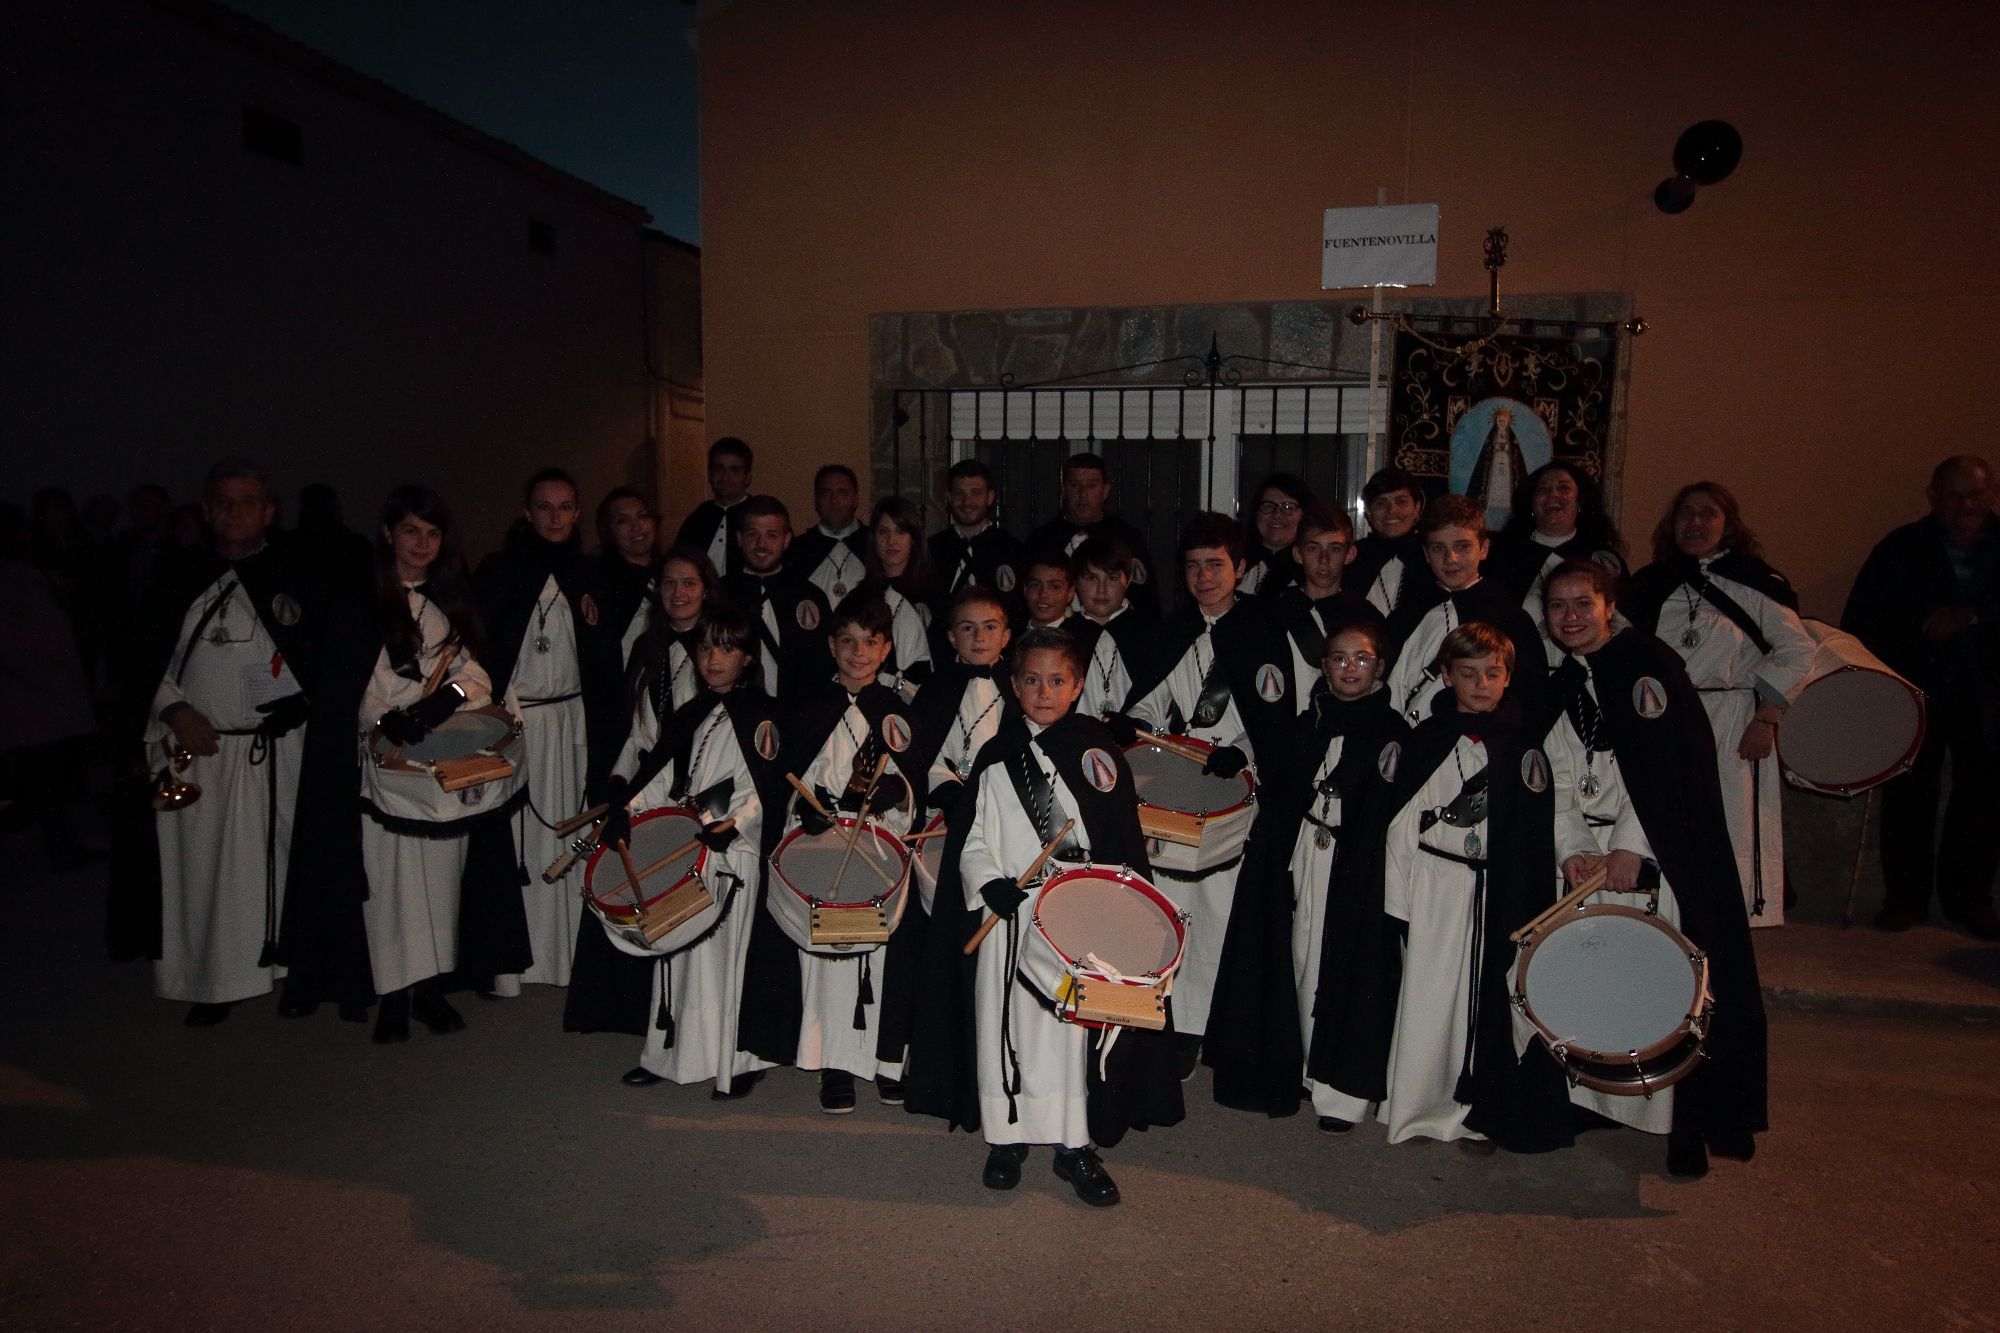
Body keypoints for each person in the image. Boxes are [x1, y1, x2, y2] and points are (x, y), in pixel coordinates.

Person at [917, 626, 1184, 1205]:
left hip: (1076, 916)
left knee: (1071, 1029)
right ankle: (1005, 1137)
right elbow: (974, 837)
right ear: (1014, 686)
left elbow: (1117, 838)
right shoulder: (995, 757)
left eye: (1057, 680)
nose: (1044, 692)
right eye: (1032, 680)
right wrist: (988, 882)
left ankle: (1073, 1144)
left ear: (1078, 685)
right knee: (1003, 1024)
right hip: (1009, 913)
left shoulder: (1097, 752)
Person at [1540, 559, 1767, 1176]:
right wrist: (1571, 846)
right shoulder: (1564, 681)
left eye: (1583, 604)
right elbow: (1556, 773)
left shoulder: (1649, 666)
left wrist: (1630, 848)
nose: (1570, 617)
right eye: (1558, 606)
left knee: (1665, 987)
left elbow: (1668, 768)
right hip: (1587, 856)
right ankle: (1599, 1101)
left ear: (1608, 606)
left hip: (1653, 853)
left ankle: (1682, 1123)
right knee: (1597, 983)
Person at [126, 459, 317, 1025]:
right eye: (223, 502)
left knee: (284, 860)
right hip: (201, 750)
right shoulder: (178, 577)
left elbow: (324, 657)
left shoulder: (297, 576)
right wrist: (175, 710)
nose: (235, 512)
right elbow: (143, 661)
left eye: (247, 501)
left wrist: (301, 705)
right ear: (207, 511)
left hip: (280, 748)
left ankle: (290, 968)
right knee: (205, 870)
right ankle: (214, 980)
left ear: (269, 511)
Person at [1374, 623, 1570, 1151]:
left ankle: (1479, 1109)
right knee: (1430, 994)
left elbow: (1535, 834)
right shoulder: (1427, 741)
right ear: (1446, 676)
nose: (1481, 684)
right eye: (1468, 673)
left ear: (1507, 677)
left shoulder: (1524, 746)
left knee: (1488, 1001)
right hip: (1435, 886)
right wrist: (1400, 901)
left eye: (1492, 673)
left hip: (1497, 890)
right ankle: (1417, 1107)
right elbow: (1399, 827)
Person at [1113, 512, 1292, 1051]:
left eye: (1215, 565)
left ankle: (1206, 1025)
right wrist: (1134, 722)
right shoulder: (1174, 631)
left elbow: (1275, 717)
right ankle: (1166, 1016)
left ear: (1240, 567)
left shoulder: (1263, 631)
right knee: (1168, 901)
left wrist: (1244, 751)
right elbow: (1150, 701)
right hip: (1176, 780)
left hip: (1231, 785)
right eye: (1193, 566)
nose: (1204, 577)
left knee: (1216, 909)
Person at [355, 486, 527, 1043]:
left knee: (443, 877)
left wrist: (444, 700)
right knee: (393, 880)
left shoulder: (451, 599)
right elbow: (353, 680)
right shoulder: (364, 601)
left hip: (442, 755)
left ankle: (431, 989)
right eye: (411, 531)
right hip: (389, 760)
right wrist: (386, 717)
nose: (422, 543)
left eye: (432, 534)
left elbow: (476, 672)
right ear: (389, 534)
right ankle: (393, 993)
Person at [740, 597, 924, 1113]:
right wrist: (804, 808)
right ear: (830, 646)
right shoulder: (809, 710)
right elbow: (786, 783)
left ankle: (887, 1062)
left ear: (886, 649)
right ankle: (834, 1064)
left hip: (879, 847)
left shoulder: (898, 714)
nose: (858, 653)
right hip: (821, 844)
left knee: (883, 956)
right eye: (847, 642)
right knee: (828, 959)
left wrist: (898, 792)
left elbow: (915, 785)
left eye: (870, 642)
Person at [596, 608, 780, 1095]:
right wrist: (628, 810)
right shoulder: (689, 713)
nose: (713, 658)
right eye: (705, 647)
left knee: (725, 959)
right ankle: (669, 1055)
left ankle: (735, 1061)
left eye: (726, 648)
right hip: (685, 846)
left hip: (730, 852)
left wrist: (735, 824)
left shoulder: (762, 715)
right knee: (677, 952)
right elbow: (659, 778)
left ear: (747, 657)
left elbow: (762, 788)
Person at [1626, 482, 1815, 927]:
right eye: (1685, 513)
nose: (1695, 522)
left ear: (1728, 524)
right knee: (1666, 818)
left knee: (1731, 822)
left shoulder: (1756, 583)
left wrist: (1766, 718)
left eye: (1707, 513)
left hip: (1733, 720)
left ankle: (1731, 924)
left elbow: (1797, 650)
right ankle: (1668, 919)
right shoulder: (1651, 585)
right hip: (1666, 719)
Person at [561, 544, 719, 1036]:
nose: (678, 592)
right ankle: (629, 1010)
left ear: (706, 590)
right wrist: (617, 780)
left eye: (689, 583)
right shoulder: (646, 650)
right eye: (669, 583)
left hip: (694, 788)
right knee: (625, 879)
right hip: (647, 783)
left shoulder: (719, 651)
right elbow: (636, 732)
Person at [475, 468, 623, 992]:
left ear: (577, 513)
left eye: (564, 507)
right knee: (521, 839)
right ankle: (515, 962)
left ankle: (565, 957)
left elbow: (606, 659)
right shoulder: (500, 571)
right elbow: (485, 648)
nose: (555, 517)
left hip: (574, 721)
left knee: (571, 830)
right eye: (544, 506)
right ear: (527, 511)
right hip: (520, 721)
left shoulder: (592, 573)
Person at [1844, 455, 2000, 940]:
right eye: (1955, 495)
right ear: (1933, 496)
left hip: (1989, 693)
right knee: (1909, 793)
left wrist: (1973, 616)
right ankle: (1904, 898)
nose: (1966, 505)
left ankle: (1970, 899)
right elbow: (1863, 620)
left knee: (1983, 796)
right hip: (1916, 688)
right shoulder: (1902, 547)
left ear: (1993, 494)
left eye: (1976, 494)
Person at [1273, 621, 1404, 1130]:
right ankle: (1306, 1068)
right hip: (1309, 850)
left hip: (1360, 867)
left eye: (1362, 659)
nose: (1350, 668)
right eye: (1339, 659)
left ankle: (1342, 1092)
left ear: (1380, 667)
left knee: (1348, 966)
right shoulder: (1309, 724)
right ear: (1324, 668)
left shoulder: (1392, 732)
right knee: (1303, 955)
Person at [1384, 495, 1548, 727]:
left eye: (1462, 546)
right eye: (1438, 548)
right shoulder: (1408, 613)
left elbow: (1527, 697)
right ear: (1426, 554)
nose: (1450, 559)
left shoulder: (1509, 618)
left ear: (1484, 549)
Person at [909, 584, 1014, 816]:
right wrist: (948, 789)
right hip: (945, 805)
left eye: (990, 627)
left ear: (1005, 636)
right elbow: (921, 751)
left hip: (1003, 805)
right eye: (967, 628)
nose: (979, 638)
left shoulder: (1019, 687)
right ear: (952, 638)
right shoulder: (935, 688)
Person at [1487, 461, 1628, 629]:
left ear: (1580, 502)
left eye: (1564, 488)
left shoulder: (1601, 559)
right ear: (1531, 504)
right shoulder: (1503, 556)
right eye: (1543, 490)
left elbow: (1621, 622)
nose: (1553, 494)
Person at [718, 495, 833, 698]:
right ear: (739, 538)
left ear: (786, 540)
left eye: (771, 535)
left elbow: (821, 667)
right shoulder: (720, 594)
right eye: (752, 534)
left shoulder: (809, 596)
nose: (761, 544)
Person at [1268, 502, 1374, 712]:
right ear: (1298, 554)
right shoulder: (1275, 613)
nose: (1324, 560)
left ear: (1350, 554)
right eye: (1313, 548)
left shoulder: (1365, 617)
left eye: (1334, 549)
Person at [1026, 453, 1160, 616]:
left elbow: (1146, 601)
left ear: (1105, 490)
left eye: (1092, 485)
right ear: (1063, 489)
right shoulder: (1042, 539)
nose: (1083, 495)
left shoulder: (1127, 538)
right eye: (1075, 485)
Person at [927, 458, 1028, 632]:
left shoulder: (1011, 550)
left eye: (976, 492)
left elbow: (1018, 611)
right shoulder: (932, 549)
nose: (967, 501)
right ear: (949, 498)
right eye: (959, 493)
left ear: (990, 497)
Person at [847, 496, 934, 698]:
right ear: (873, 538)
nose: (891, 541)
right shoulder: (859, 596)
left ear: (913, 538)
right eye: (883, 532)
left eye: (900, 531)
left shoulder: (934, 594)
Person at [1070, 535, 1152, 721]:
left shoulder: (1148, 634)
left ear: (1128, 580)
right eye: (1091, 578)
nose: (1102, 589)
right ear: (1075, 582)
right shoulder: (1065, 637)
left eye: (1112, 578)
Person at [1349, 467, 1434, 621]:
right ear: (1368, 511)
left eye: (1401, 502)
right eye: (1381, 503)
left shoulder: (1432, 557)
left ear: (1417, 508)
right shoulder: (1351, 558)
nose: (1392, 510)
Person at [594, 488, 659, 671]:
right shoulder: (600, 580)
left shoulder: (669, 573)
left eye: (642, 516)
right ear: (609, 531)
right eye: (622, 520)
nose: (636, 526)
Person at [672, 437, 754, 578]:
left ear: (747, 477)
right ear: (710, 474)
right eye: (718, 468)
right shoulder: (698, 518)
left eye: (734, 470)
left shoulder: (759, 516)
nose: (725, 477)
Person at [792, 464, 870, 606]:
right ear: (816, 500)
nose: (834, 501)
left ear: (855, 499)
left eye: (842, 493)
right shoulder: (797, 550)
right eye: (825, 493)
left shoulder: (874, 544)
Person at [1238, 473, 1312, 596]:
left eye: (1287, 507)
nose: (1277, 515)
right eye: (1268, 506)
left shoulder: (1312, 569)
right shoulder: (1236, 561)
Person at [1466, 406, 1529, 530]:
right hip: (1494, 464)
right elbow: (1487, 454)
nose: (1501, 423)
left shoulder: (1512, 438)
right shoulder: (1491, 437)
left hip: (1507, 464)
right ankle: (1491, 502)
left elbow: (1515, 454)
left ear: (1507, 422)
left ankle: (1506, 503)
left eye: (1503, 421)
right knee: (1494, 480)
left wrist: (1506, 449)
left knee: (1505, 481)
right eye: (1500, 421)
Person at [1020, 551, 1078, 632]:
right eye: (1035, 585)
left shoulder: (1083, 636)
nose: (1043, 594)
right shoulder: (1010, 636)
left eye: (1054, 587)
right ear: (1025, 589)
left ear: (1070, 593)